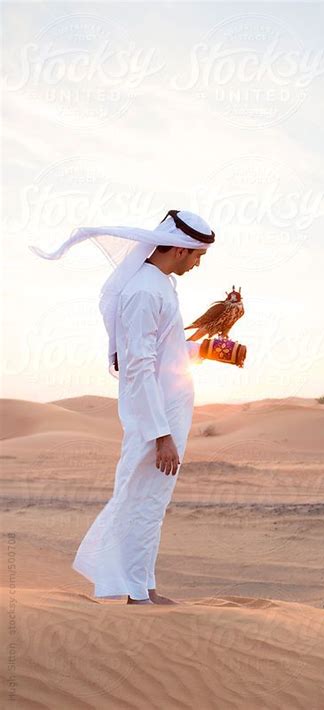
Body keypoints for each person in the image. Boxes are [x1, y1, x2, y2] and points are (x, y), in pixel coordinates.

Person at [29, 210, 215, 605]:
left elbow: (165, 353)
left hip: (167, 414)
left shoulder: (161, 286)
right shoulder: (144, 291)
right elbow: (139, 366)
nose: (198, 263)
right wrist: (160, 434)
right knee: (137, 500)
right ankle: (132, 592)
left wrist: (213, 350)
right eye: (198, 254)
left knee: (151, 503)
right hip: (155, 419)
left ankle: (142, 586)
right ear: (182, 250)